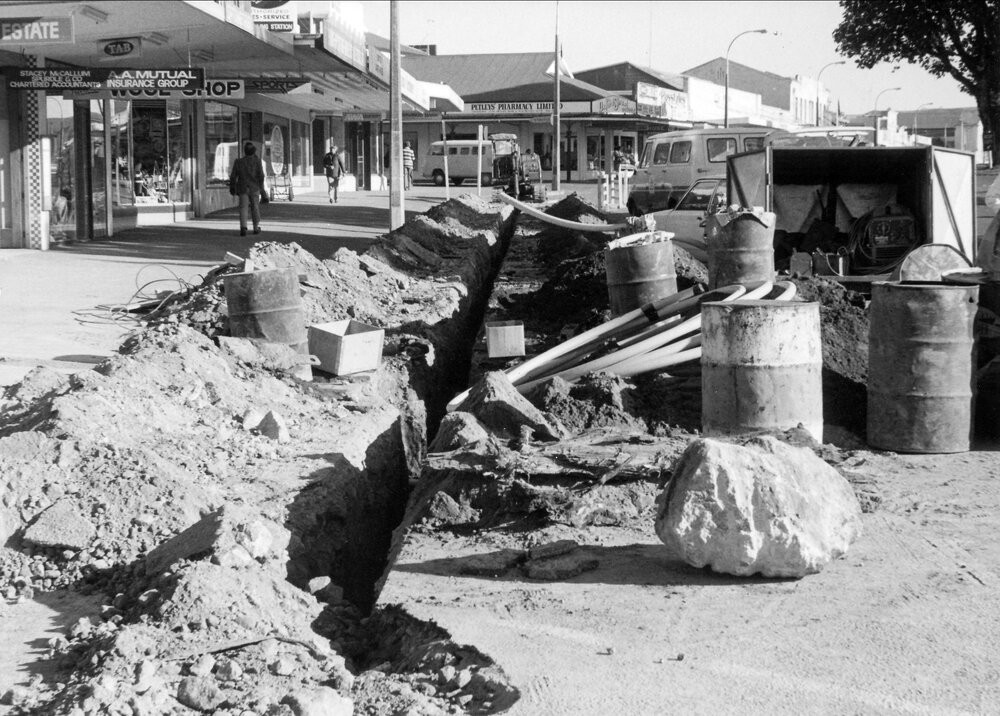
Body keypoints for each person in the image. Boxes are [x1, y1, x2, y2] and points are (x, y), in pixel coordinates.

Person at [229, 141, 265, 237]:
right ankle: (256, 227)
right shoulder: (257, 161)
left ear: (245, 151)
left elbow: (233, 176)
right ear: (253, 151)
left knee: (243, 207)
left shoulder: (239, 162)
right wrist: (262, 188)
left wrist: (232, 187)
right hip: (254, 187)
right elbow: (261, 175)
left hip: (242, 187)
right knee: (255, 207)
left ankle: (243, 227)